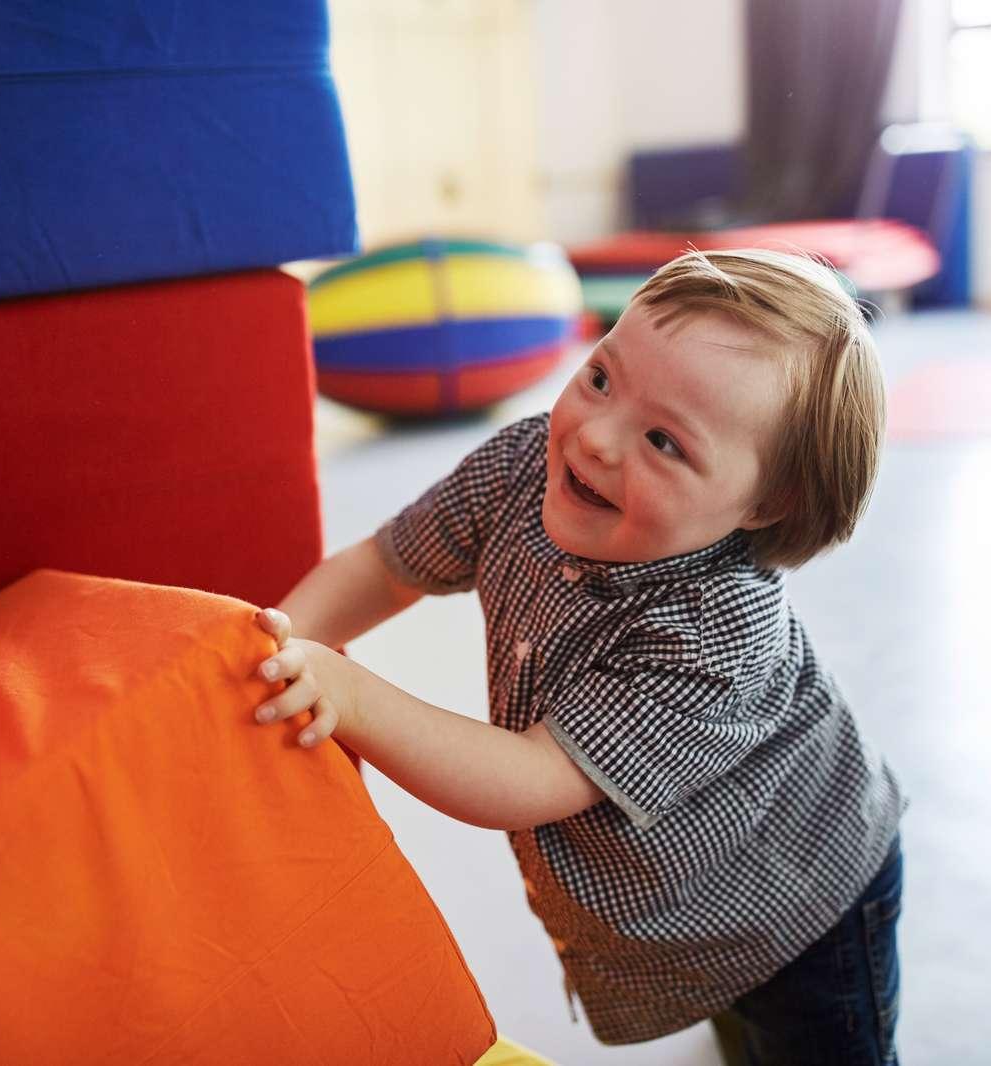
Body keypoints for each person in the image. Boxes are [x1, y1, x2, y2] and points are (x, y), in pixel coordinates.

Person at [251, 249, 907, 1064]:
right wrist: (277, 647)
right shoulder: (527, 461)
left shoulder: (717, 630)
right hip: (690, 890)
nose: (595, 438)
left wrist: (348, 693)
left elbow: (530, 778)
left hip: (805, 899)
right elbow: (385, 565)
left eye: (665, 441)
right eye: (600, 378)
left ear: (767, 502)